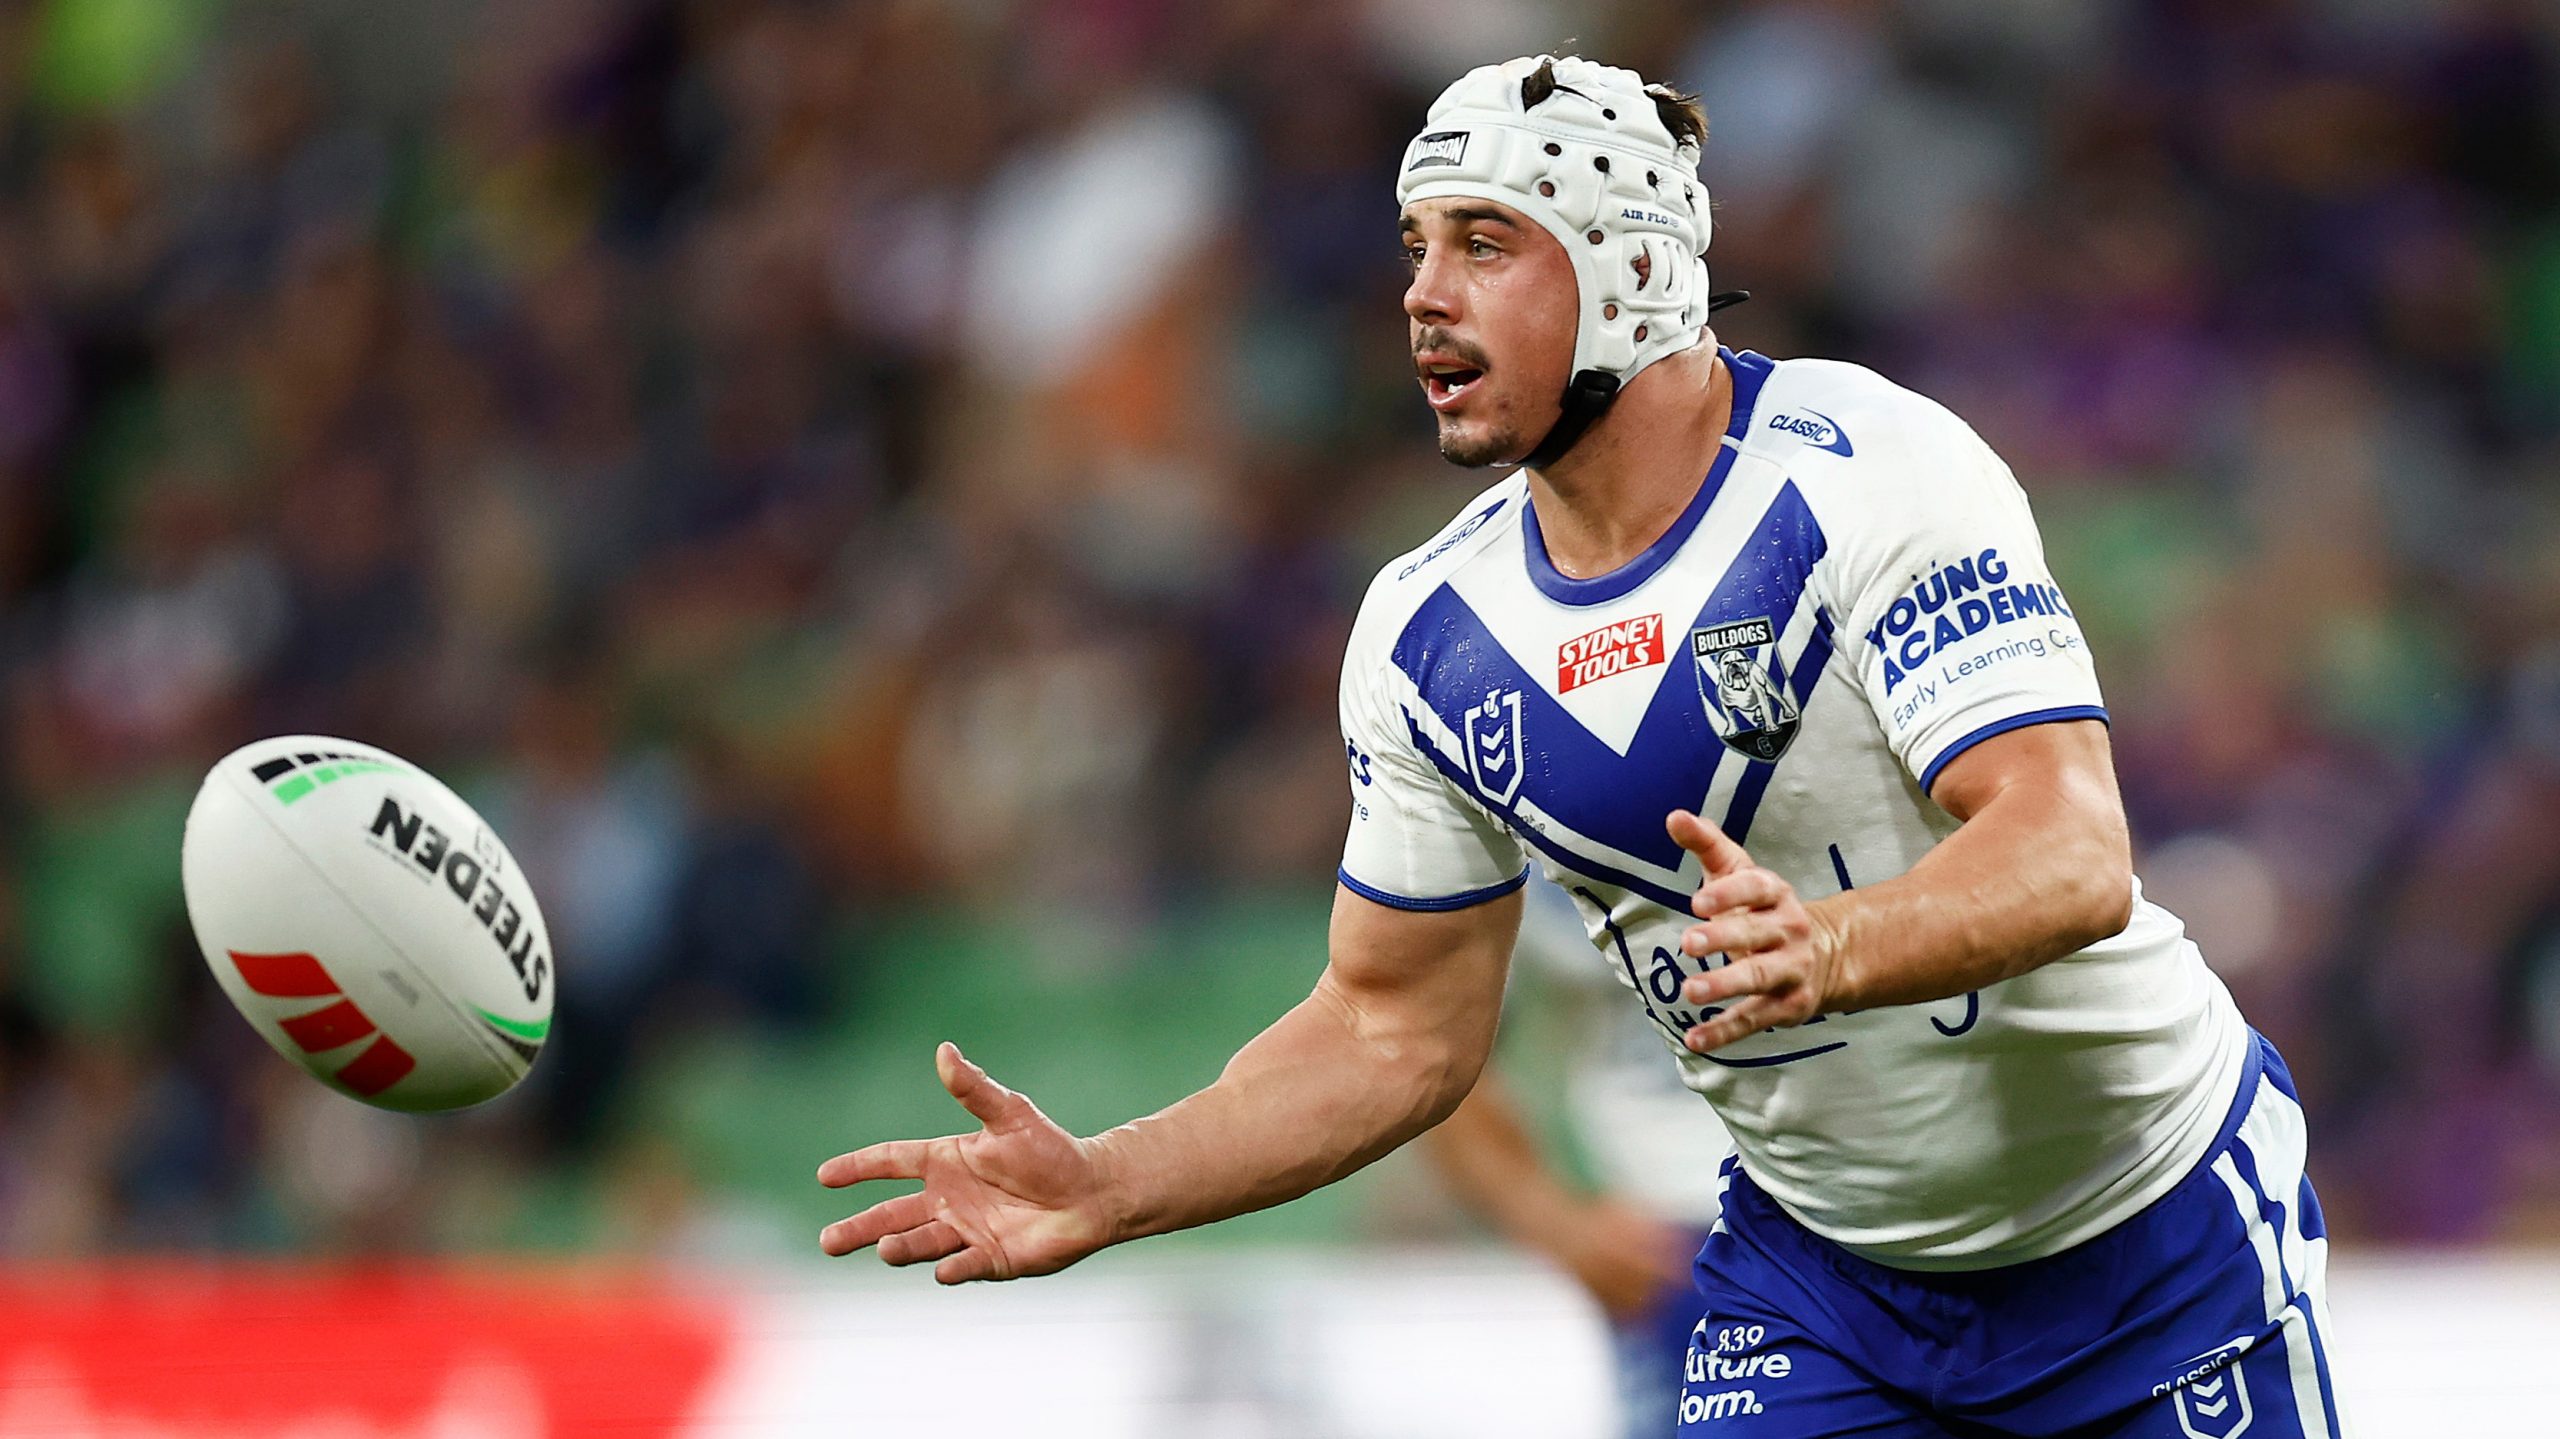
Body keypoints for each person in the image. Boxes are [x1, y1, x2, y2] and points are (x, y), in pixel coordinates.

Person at [817, 54, 2348, 1438]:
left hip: (2152, 1236)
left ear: (1629, 274)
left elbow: (2073, 845)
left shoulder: (1864, 471)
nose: (1424, 294)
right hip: (1822, 1287)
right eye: (1415, 248)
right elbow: (1390, 1032)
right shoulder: (1428, 631)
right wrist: (1113, 1177)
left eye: (1485, 244)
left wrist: (1842, 945)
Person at [1425, 878, 1729, 1438]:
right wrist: (1552, 1221)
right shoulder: (1508, 809)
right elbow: (1427, 1041)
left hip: (1872, 1208)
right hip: (1667, 1234)